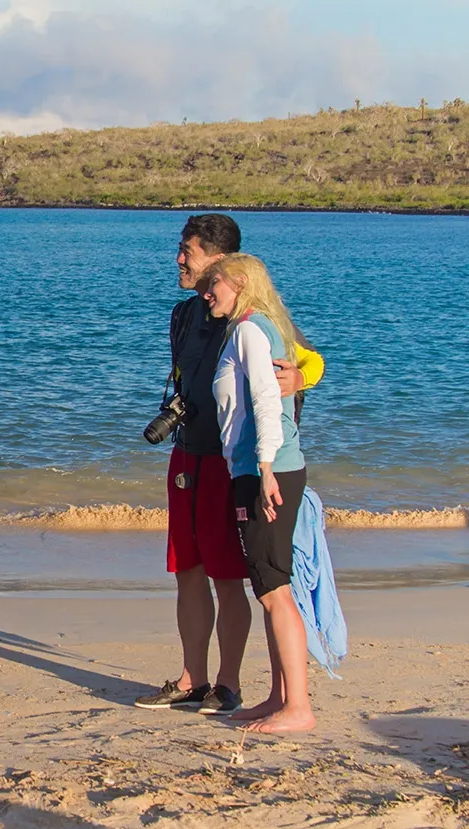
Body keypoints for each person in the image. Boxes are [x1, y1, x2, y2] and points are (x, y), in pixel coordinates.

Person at [134, 214, 324, 717]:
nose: (179, 259)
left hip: (229, 461)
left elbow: (310, 359)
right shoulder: (184, 313)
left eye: (188, 250)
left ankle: (228, 684)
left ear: (220, 261)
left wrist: (301, 379)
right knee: (187, 569)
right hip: (186, 454)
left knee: (226, 575)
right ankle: (191, 679)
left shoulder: (250, 316)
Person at [206, 253, 315, 733]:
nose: (208, 293)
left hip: (266, 472)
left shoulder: (251, 329)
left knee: (274, 589)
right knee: (269, 586)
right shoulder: (258, 327)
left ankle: (299, 708)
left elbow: (267, 401)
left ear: (240, 283)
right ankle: (278, 697)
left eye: (215, 284)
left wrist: (266, 469)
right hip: (260, 469)